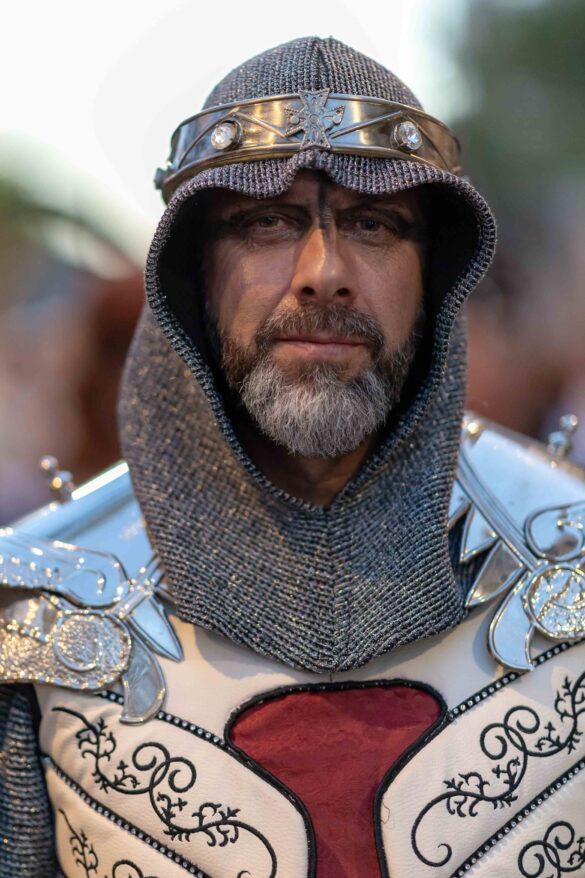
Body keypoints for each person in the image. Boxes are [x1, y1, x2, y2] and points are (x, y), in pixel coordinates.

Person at [1, 36, 584, 878]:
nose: (323, 272)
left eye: (374, 223)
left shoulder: (568, 563)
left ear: (436, 273)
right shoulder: (45, 608)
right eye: (265, 222)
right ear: (192, 272)